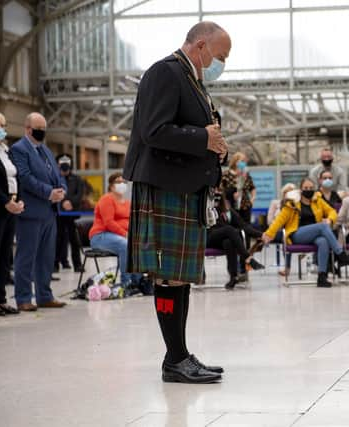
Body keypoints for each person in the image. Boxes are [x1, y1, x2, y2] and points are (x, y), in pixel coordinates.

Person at [123, 22, 231, 384]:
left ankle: (180, 355)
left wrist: (215, 145)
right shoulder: (165, 73)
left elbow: (194, 134)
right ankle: (174, 359)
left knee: (180, 278)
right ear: (201, 45)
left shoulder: (192, 78)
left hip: (184, 188)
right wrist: (203, 137)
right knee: (168, 277)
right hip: (164, 187)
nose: (221, 64)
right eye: (220, 56)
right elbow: (154, 130)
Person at [10, 112, 67, 311]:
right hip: (31, 212)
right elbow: (25, 178)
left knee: (46, 257)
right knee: (26, 256)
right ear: (27, 128)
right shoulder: (19, 149)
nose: (41, 132)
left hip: (50, 213)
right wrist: (49, 193)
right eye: (38, 129)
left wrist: (61, 190)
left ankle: (44, 295)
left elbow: (57, 175)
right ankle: (23, 297)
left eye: (44, 129)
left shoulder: (45, 150)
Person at [262, 178, 349, 288]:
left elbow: (332, 211)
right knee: (322, 227)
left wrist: (330, 219)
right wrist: (269, 233)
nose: (308, 190)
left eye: (311, 188)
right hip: (297, 234)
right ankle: (340, 253)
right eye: (306, 188)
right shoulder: (292, 203)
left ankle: (322, 277)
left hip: (314, 234)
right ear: (300, 189)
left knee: (323, 242)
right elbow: (280, 219)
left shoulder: (317, 200)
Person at [89, 173, 142, 288]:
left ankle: (138, 281)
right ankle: (126, 282)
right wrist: (125, 234)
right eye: (118, 182)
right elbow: (109, 223)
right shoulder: (106, 199)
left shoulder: (128, 203)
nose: (122, 184)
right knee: (126, 244)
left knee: (137, 243)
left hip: (118, 236)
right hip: (101, 236)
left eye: (124, 182)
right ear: (111, 186)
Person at [206, 192, 264, 290]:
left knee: (228, 242)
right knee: (229, 229)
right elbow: (212, 225)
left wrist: (261, 234)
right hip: (209, 237)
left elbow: (244, 225)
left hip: (222, 240)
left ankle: (233, 277)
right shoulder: (207, 208)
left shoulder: (228, 210)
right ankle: (248, 258)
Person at [0, 111, 24, 316]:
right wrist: (5, 201)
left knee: (5, 255)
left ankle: (1, 298)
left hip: (12, 205)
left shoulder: (5, 150)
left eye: (3, 125)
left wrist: (18, 199)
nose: (2, 129)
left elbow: (16, 176)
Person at [54, 154, 85, 272]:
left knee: (74, 240)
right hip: (59, 214)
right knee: (58, 239)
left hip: (72, 215)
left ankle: (77, 264)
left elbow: (80, 194)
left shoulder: (77, 179)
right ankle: (55, 264)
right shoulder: (55, 178)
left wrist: (70, 202)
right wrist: (62, 203)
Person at [267, 183, 296, 277]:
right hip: (276, 231)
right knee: (285, 237)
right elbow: (269, 221)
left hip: (290, 232)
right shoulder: (275, 203)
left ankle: (287, 268)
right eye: (286, 192)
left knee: (286, 238)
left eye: (291, 192)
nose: (288, 194)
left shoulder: (296, 205)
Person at [220, 151, 255, 224]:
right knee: (234, 226)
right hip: (231, 205)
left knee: (246, 226)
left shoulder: (246, 175)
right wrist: (230, 194)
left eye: (245, 161)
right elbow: (221, 189)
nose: (244, 163)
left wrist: (252, 199)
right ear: (235, 161)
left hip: (245, 205)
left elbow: (252, 187)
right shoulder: (226, 174)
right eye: (242, 161)